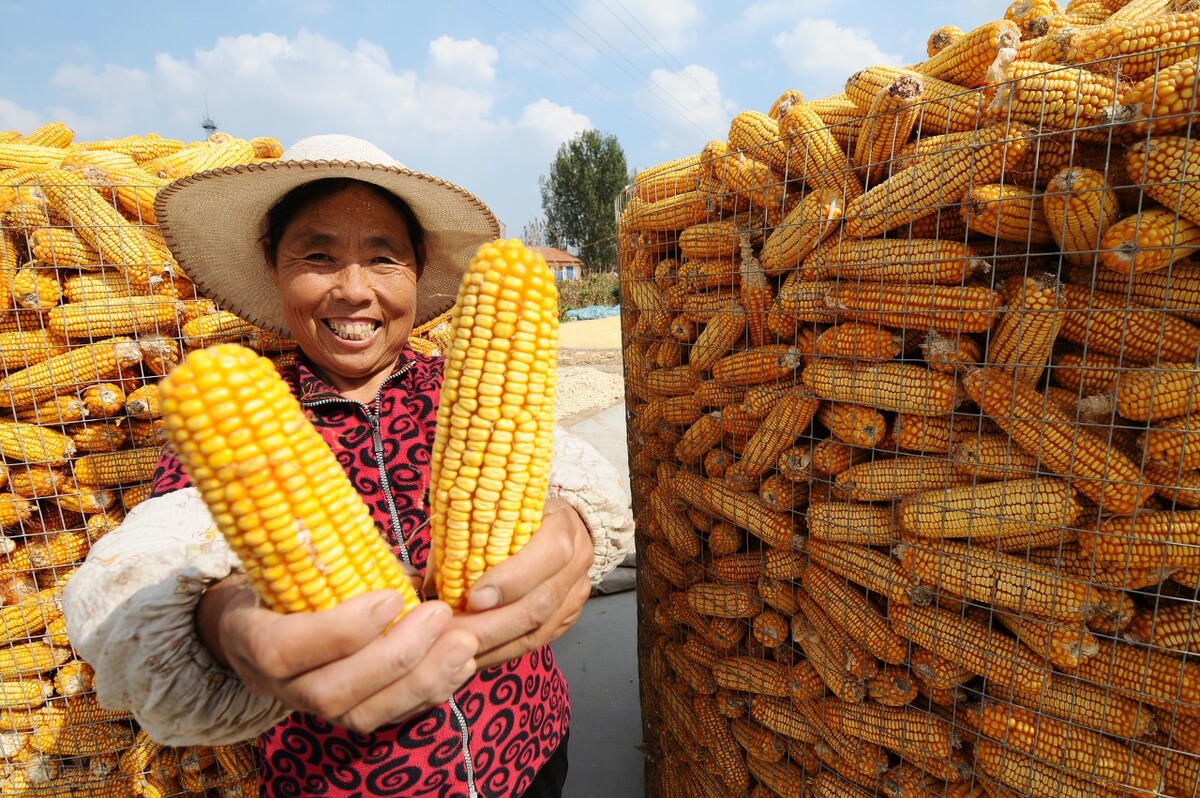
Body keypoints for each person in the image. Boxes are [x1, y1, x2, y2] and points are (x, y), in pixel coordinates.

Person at [62, 134, 636, 798]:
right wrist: (223, 623)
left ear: (418, 273)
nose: (354, 290)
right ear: (274, 271)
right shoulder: (237, 419)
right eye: (317, 256)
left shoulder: (465, 387)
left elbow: (572, 478)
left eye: (384, 258)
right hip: (346, 782)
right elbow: (161, 556)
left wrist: (577, 527)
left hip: (528, 752)